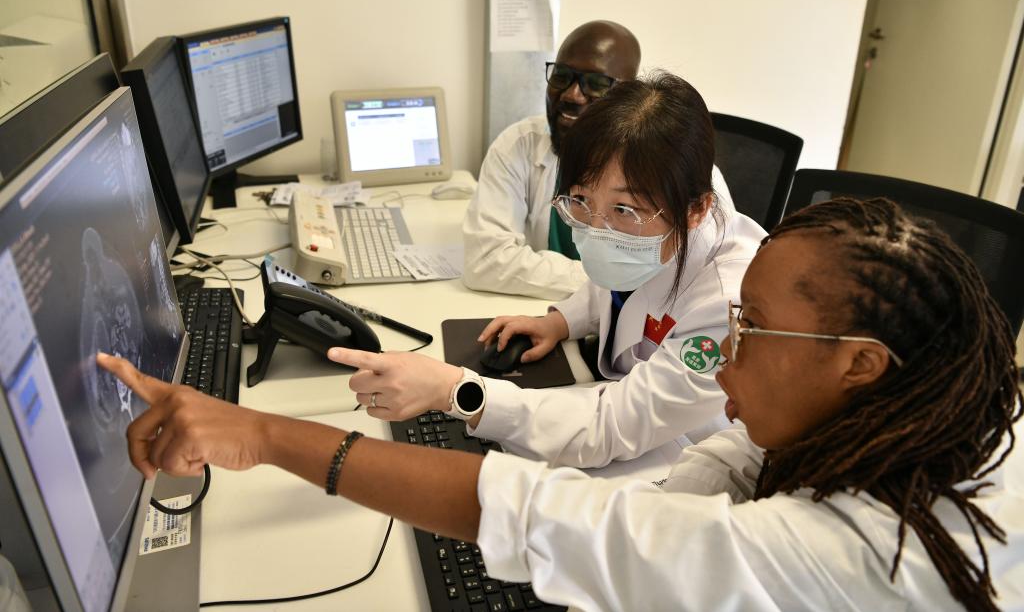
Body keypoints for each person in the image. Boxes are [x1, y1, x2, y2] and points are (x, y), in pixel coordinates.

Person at [100, 197, 1023, 610]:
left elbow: (572, 512)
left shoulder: (858, 553)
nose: (725, 355)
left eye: (753, 329)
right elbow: (725, 469)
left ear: (859, 365)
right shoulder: (926, 425)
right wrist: (633, 536)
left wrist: (265, 435)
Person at [352, 72, 764, 466]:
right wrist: (561, 321)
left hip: (692, 455)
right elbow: (614, 281)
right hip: (630, 415)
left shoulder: (728, 303)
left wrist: (456, 391)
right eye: (581, 200)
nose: (597, 230)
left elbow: (610, 427)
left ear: (696, 210)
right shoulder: (653, 228)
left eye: (623, 209)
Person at [463, 19, 735, 300]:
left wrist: (614, 282)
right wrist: (611, 281)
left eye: (596, 84)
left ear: (628, 98)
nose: (572, 94)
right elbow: (486, 261)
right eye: (561, 76)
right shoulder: (519, 144)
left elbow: (701, 278)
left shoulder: (684, 175)